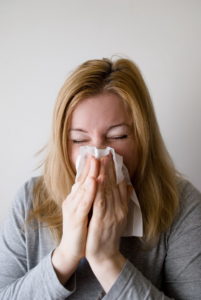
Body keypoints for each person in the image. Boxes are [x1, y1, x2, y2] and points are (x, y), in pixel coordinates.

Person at [0, 57, 201, 300]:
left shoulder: (180, 204)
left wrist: (107, 261)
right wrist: (64, 257)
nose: (99, 155)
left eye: (118, 136)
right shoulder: (30, 200)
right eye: (79, 140)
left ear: (142, 138)